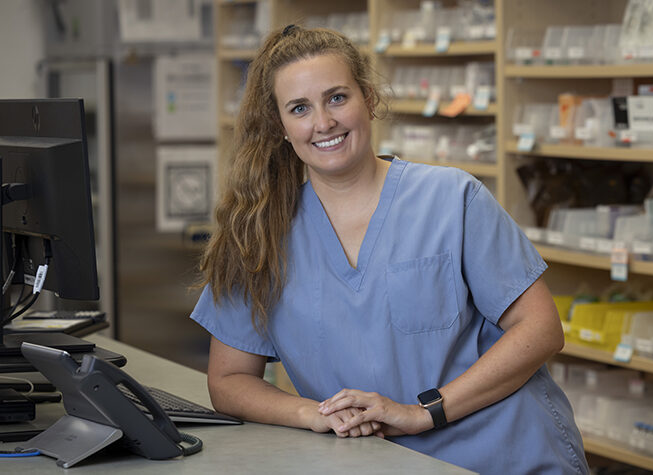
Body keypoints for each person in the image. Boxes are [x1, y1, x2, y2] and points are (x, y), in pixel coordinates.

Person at [191, 24, 586, 474]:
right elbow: (228, 379)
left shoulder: (451, 198)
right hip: (374, 463)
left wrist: (424, 413)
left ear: (369, 100)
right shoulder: (261, 233)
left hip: (504, 455)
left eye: (337, 97)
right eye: (300, 108)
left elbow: (540, 328)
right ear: (281, 127)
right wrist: (316, 415)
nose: (323, 123)